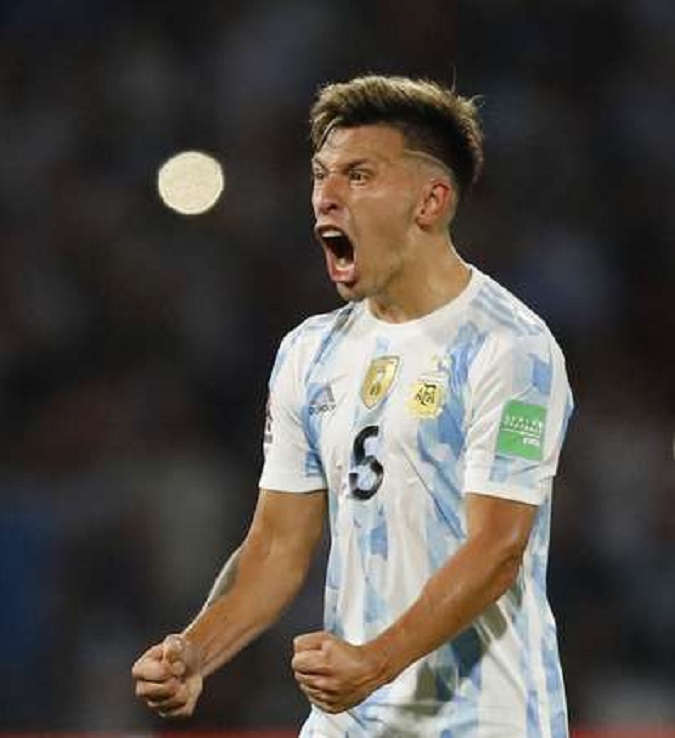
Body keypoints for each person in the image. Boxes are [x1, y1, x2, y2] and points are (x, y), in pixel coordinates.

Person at [132, 74, 574, 737]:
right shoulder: (310, 352)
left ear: (430, 201)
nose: (326, 196)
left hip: (483, 718)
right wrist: (197, 651)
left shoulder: (510, 348)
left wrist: (376, 662)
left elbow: (497, 549)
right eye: (321, 175)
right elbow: (277, 545)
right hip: (350, 721)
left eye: (359, 176)